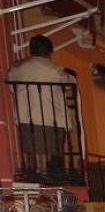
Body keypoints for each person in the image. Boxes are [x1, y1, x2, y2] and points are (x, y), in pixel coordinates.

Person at [8, 35, 75, 182]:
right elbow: (69, 84)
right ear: (49, 51)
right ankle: (46, 172)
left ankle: (37, 171)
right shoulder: (54, 68)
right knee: (51, 148)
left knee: (33, 148)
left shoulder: (19, 69)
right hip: (53, 116)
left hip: (26, 116)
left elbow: (11, 82)